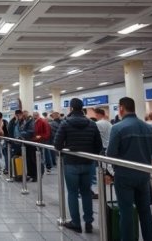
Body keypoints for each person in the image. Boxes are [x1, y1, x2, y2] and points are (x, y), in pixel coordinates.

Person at [106, 97, 152, 241]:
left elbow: (111, 153)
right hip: (144, 175)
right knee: (145, 211)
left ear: (121, 108)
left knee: (126, 211)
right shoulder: (149, 127)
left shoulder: (118, 127)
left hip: (124, 175)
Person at [54, 98, 103, 234]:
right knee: (86, 192)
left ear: (71, 108)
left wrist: (67, 147)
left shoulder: (65, 123)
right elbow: (98, 145)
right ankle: (88, 222)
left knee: (73, 193)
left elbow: (57, 145)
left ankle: (75, 222)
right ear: (82, 108)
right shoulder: (92, 124)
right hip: (88, 163)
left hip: (71, 163)